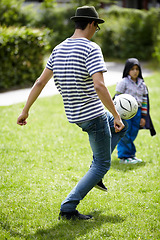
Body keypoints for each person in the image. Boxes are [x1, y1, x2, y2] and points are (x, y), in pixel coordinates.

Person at [17, 6, 126, 220]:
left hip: (77, 115)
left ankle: (96, 173)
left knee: (123, 129)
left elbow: (40, 82)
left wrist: (25, 110)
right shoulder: (91, 48)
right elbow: (100, 87)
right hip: (93, 116)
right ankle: (68, 208)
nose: (96, 31)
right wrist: (116, 114)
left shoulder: (58, 49)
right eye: (97, 27)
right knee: (102, 163)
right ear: (92, 24)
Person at [115, 58, 156, 164]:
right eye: (132, 69)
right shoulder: (123, 82)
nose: (135, 71)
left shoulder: (142, 84)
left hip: (137, 112)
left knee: (133, 132)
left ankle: (131, 155)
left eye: (137, 69)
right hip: (125, 112)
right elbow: (117, 98)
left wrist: (143, 117)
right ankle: (124, 157)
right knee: (125, 133)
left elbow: (144, 102)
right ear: (127, 70)